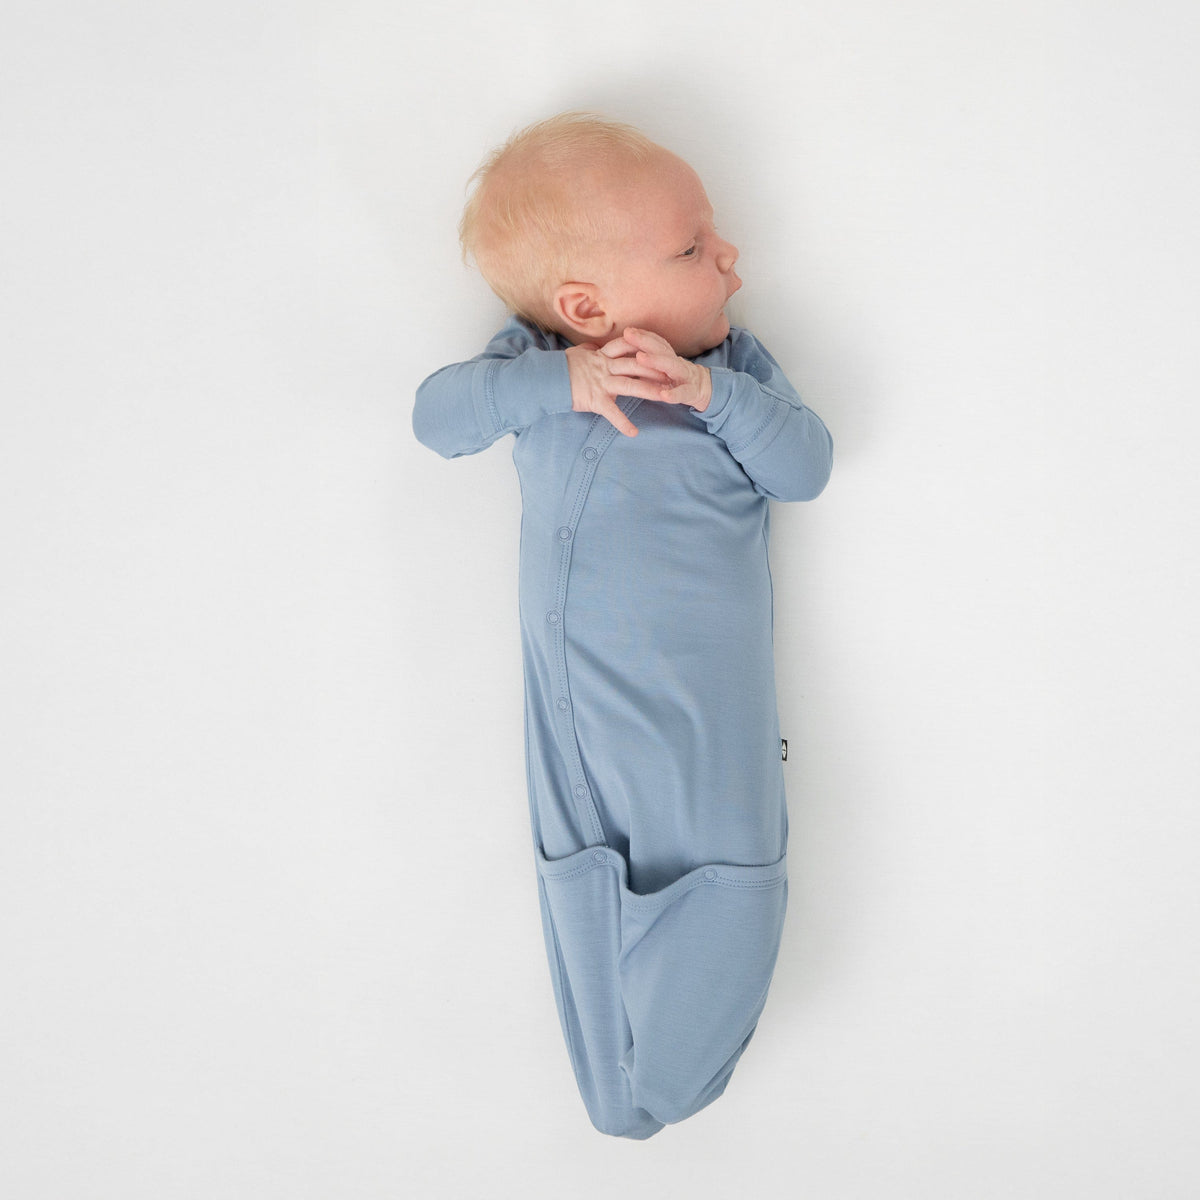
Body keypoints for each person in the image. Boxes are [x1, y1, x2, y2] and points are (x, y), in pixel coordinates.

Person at [412, 112, 832, 1139]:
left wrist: (712, 396)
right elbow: (437, 418)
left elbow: (806, 467)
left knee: (727, 877)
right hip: (581, 717)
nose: (729, 258)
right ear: (584, 306)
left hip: (707, 726)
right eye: (691, 248)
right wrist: (562, 381)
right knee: (590, 869)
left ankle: (659, 1073)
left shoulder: (731, 374)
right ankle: (621, 1088)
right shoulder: (537, 366)